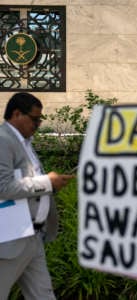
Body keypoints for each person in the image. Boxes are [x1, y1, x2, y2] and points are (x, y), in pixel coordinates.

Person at [0, 92, 74, 299]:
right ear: (16, 114)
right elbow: (3, 187)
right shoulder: (3, 140)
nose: (38, 124)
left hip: (32, 237)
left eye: (40, 119)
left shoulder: (24, 142)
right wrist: (46, 183)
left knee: (43, 294)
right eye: (34, 119)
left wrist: (52, 185)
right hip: (10, 239)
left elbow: (28, 185)